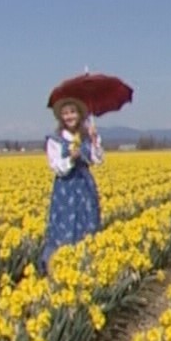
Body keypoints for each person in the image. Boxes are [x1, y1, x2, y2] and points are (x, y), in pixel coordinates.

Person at [41, 96, 105, 272]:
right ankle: (58, 269)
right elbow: (56, 167)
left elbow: (97, 160)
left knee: (87, 223)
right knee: (63, 227)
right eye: (65, 113)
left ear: (80, 114)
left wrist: (93, 140)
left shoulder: (86, 135)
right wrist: (71, 158)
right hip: (65, 189)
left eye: (73, 112)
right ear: (61, 117)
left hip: (84, 187)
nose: (69, 116)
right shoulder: (55, 140)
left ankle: (86, 268)